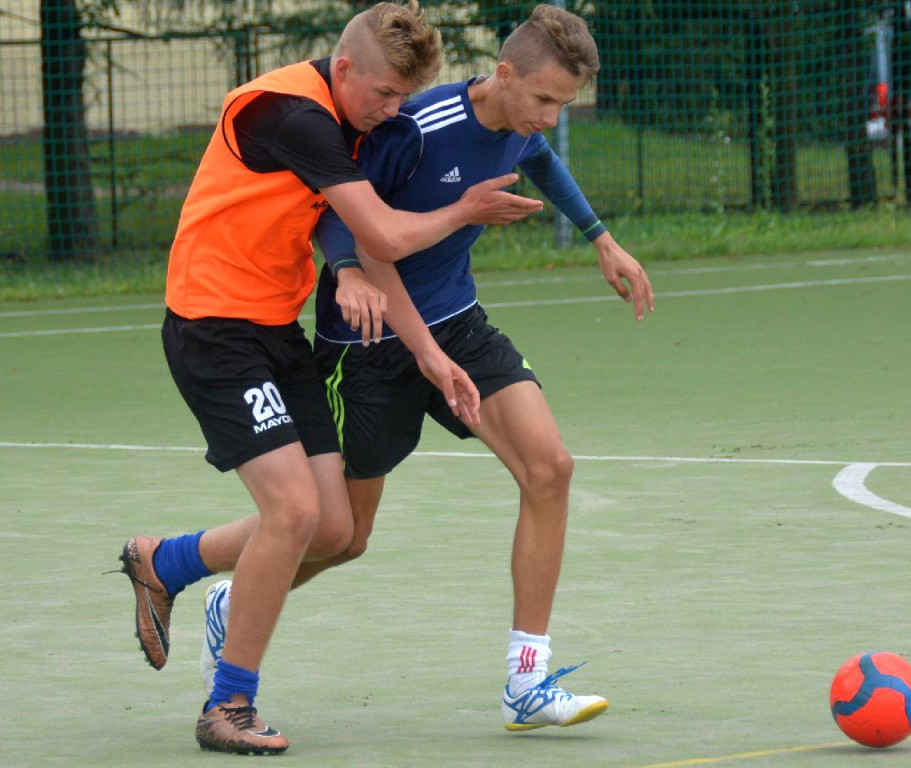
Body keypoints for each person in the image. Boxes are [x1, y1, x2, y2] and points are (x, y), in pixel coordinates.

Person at [200, 3, 654, 732]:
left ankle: (526, 683)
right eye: (542, 99)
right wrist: (346, 269)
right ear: (503, 74)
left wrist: (602, 238)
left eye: (563, 106)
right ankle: (234, 593)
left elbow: (538, 159)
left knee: (550, 469)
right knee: (338, 537)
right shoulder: (419, 125)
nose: (549, 116)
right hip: (368, 344)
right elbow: (336, 205)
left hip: (459, 325)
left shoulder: (523, 127)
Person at [117, 0, 542, 755]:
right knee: (290, 513)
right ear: (344, 68)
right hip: (214, 331)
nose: (392, 111)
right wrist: (464, 209)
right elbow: (380, 228)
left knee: (338, 530)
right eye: (382, 94)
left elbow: (334, 224)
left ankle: (166, 559)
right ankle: (228, 707)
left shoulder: (356, 122)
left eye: (403, 99)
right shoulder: (291, 113)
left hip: (277, 330)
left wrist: (402, 325)